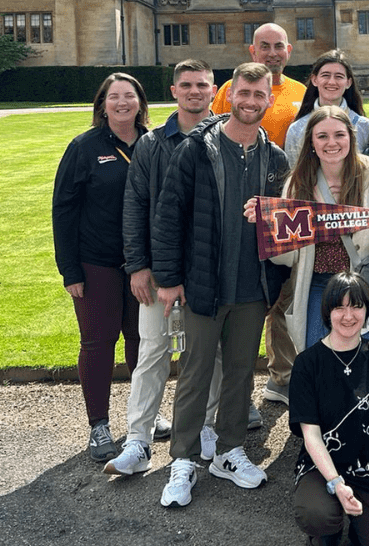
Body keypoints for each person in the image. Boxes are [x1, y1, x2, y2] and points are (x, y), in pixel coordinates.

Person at [151, 62, 290, 508]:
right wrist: (170, 279)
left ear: (270, 98)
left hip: (252, 288)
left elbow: (286, 229)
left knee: (240, 373)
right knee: (194, 373)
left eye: (259, 94)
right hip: (204, 284)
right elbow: (169, 215)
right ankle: (184, 458)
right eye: (243, 93)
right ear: (228, 95)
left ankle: (229, 451)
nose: (251, 101)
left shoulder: (278, 159)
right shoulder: (195, 149)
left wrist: (277, 283)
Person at [105, 60, 236, 476]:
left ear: (214, 89)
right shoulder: (153, 143)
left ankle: (209, 428)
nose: (194, 91)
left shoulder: (227, 137)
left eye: (202, 84)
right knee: (153, 352)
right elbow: (135, 207)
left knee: (210, 354)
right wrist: (139, 266)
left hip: (208, 270)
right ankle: (139, 439)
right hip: (161, 269)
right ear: (173, 90)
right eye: (186, 85)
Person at [251, 105, 369, 350]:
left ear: (351, 138)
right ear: (311, 141)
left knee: (363, 364)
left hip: (367, 286)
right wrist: (267, 226)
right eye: (322, 136)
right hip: (318, 286)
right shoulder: (298, 182)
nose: (331, 143)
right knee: (320, 361)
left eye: (339, 135)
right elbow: (286, 257)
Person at [51, 72, 149, 461]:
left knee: (144, 342)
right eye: (114, 97)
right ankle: (99, 425)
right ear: (102, 105)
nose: (122, 103)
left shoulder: (153, 143)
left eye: (129, 96)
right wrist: (70, 270)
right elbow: (63, 210)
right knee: (98, 341)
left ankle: (144, 415)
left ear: (140, 102)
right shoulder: (84, 147)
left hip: (144, 264)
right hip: (97, 264)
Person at [212, 23, 305, 409]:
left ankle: (280, 376)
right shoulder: (229, 91)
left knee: (280, 297)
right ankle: (236, 394)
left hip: (284, 206)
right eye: (264, 46)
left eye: (278, 46)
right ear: (252, 50)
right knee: (238, 302)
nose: (272, 52)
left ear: (289, 50)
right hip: (233, 208)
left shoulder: (301, 93)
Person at [289, 272, 369, 546]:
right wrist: (336, 484)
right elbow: (311, 435)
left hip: (368, 466)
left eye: (356, 306)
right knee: (317, 514)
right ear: (327, 312)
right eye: (339, 307)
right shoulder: (308, 363)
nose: (348, 315)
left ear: (367, 310)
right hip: (322, 468)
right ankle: (325, 533)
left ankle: (359, 528)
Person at [285, 50, 369, 164]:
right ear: (315, 80)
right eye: (325, 75)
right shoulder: (297, 129)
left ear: (348, 82)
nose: (331, 82)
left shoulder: (365, 127)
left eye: (339, 76)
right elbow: (294, 174)